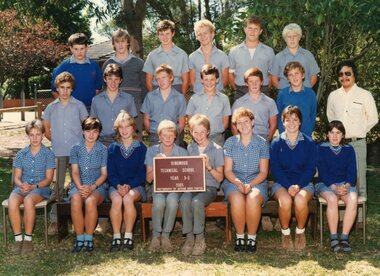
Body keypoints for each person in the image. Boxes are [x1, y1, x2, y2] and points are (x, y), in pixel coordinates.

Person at [326, 60, 378, 224]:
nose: (344, 77)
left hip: (357, 143)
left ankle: (360, 220)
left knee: (360, 180)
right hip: (338, 144)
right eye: (341, 74)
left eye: (348, 73)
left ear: (354, 75)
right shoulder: (333, 96)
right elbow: (330, 118)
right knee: (340, 178)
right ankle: (342, 218)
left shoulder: (364, 95)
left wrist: (359, 131)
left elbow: (373, 118)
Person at [43, 72, 88, 235]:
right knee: (58, 188)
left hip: (76, 153)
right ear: (57, 88)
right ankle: (56, 221)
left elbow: (87, 127)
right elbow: (47, 131)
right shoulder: (50, 107)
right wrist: (56, 142)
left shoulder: (79, 105)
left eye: (68, 88)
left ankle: (79, 219)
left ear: (72, 89)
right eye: (62, 88)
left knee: (79, 185)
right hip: (58, 152)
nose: (65, 91)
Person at [222, 107, 269, 253]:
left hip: (257, 181)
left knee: (253, 198)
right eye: (239, 123)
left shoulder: (262, 143)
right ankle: (240, 236)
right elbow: (228, 170)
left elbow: (263, 172)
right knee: (237, 199)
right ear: (235, 126)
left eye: (246, 121)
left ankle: (252, 238)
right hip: (234, 181)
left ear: (252, 122)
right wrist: (238, 183)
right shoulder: (230, 143)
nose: (243, 125)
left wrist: (250, 185)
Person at [270, 105, 317, 251]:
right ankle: (285, 233)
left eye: (295, 120)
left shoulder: (309, 143)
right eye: (288, 120)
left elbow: (310, 168)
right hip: (282, 183)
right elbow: (275, 168)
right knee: (284, 200)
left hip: (303, 183)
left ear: (300, 122)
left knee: (300, 199)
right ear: (282, 122)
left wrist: (298, 185)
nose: (291, 123)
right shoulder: (276, 142)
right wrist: (288, 185)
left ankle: (300, 232)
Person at [8, 119, 55, 254]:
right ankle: (18, 239)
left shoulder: (48, 154)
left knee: (29, 201)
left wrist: (33, 187)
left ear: (43, 135)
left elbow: (48, 179)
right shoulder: (21, 154)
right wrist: (21, 184)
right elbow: (17, 177)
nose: (35, 138)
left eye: (38, 134)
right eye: (32, 135)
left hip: (40, 188)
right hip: (23, 187)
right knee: (12, 201)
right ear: (28, 136)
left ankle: (28, 239)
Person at [179, 114, 224, 255]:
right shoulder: (190, 148)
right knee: (185, 199)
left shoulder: (216, 149)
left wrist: (209, 166)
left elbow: (220, 177)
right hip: (192, 186)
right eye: (195, 132)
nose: (199, 135)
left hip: (209, 188)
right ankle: (189, 237)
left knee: (197, 202)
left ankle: (200, 238)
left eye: (202, 132)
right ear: (191, 133)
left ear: (208, 132)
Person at [145, 120, 188, 253]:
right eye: (164, 135)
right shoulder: (152, 151)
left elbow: (186, 178)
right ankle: (156, 236)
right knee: (158, 202)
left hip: (175, 188)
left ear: (176, 136)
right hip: (159, 187)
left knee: (172, 201)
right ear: (159, 136)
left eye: (171, 135)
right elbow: (149, 179)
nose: (168, 138)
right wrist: (157, 163)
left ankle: (165, 236)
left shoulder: (182, 152)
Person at [316, 120, 358, 252]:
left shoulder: (349, 149)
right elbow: (322, 171)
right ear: (327, 134)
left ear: (343, 135)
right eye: (332, 132)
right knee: (332, 199)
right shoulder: (320, 148)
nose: (335, 136)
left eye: (338, 132)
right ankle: (334, 238)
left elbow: (352, 171)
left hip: (345, 184)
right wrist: (334, 187)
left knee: (353, 199)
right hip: (325, 184)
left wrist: (346, 185)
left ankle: (344, 238)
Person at [107, 111, 147, 252]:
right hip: (115, 186)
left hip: (135, 186)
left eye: (127, 127)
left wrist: (129, 186)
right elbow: (111, 173)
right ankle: (116, 236)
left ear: (133, 127)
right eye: (121, 127)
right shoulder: (112, 148)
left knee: (128, 199)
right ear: (117, 129)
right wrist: (118, 185)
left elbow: (142, 174)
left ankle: (128, 236)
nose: (124, 130)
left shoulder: (141, 148)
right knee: (117, 200)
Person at [69, 117, 108, 253]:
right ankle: (79, 237)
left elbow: (104, 174)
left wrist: (92, 187)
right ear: (83, 132)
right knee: (75, 199)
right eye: (88, 131)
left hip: (97, 186)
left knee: (90, 200)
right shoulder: (75, 148)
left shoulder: (103, 149)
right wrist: (80, 187)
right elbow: (74, 172)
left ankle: (89, 238)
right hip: (78, 184)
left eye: (95, 131)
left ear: (99, 133)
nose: (91, 135)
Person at [102, 29, 146, 138]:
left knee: (136, 139)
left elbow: (145, 87)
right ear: (113, 44)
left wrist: (144, 110)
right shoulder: (108, 64)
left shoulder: (139, 63)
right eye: (117, 41)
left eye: (123, 41)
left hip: (136, 107)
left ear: (128, 42)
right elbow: (104, 88)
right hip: (114, 105)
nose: (120, 44)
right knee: (116, 139)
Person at [51, 33, 103, 110]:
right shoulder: (62, 67)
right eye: (76, 49)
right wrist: (65, 106)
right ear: (71, 49)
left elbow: (98, 89)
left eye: (82, 48)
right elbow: (54, 91)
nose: (79, 52)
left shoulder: (94, 66)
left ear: (86, 48)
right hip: (69, 109)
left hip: (90, 108)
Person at [91, 63, 138, 146]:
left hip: (122, 140)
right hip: (102, 141)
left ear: (121, 80)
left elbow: (132, 123)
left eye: (116, 79)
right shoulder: (96, 100)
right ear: (104, 79)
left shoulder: (128, 98)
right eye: (110, 79)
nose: (113, 83)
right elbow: (93, 125)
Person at [228, 15, 275, 99]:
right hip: (241, 92)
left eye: (256, 29)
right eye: (250, 28)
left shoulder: (269, 51)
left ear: (260, 31)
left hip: (263, 91)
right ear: (245, 29)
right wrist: (237, 89)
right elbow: (230, 74)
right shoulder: (234, 51)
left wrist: (265, 89)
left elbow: (272, 74)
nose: (252, 32)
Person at [141, 64, 187, 146]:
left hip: (173, 137)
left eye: (164, 77)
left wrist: (173, 135)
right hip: (155, 136)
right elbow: (146, 119)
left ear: (171, 78)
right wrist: (152, 132)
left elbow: (182, 122)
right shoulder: (150, 96)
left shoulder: (180, 98)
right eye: (158, 79)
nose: (161, 81)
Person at [186, 64, 231, 146]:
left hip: (217, 139)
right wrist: (198, 135)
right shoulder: (194, 98)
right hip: (198, 139)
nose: (209, 83)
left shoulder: (224, 99)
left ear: (217, 80)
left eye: (212, 79)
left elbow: (225, 122)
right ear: (202, 80)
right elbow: (190, 121)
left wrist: (213, 133)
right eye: (206, 79)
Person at [143, 20, 189, 95]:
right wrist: (154, 97)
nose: (164, 37)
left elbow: (186, 80)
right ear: (158, 35)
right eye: (161, 34)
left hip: (176, 89)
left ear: (173, 33)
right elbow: (148, 81)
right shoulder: (152, 55)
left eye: (167, 33)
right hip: (157, 89)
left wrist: (181, 97)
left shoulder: (182, 54)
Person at [232, 67, 278, 141]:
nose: (254, 84)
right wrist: (240, 141)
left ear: (262, 82)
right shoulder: (239, 103)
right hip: (244, 139)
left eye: (257, 81)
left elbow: (273, 125)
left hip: (263, 139)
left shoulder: (270, 102)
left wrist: (268, 139)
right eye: (251, 81)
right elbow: (234, 126)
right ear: (246, 83)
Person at [270, 23, 320, 90]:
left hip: (304, 94)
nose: (292, 39)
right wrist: (283, 92)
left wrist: (306, 91)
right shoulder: (278, 57)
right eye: (289, 37)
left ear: (299, 37)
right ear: (285, 39)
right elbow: (273, 79)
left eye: (295, 36)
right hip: (286, 96)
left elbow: (314, 76)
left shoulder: (308, 55)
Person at [276, 62, 317, 137]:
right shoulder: (282, 94)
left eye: (297, 73)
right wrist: (283, 135)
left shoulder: (311, 94)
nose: (294, 77)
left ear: (303, 75)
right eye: (290, 75)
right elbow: (279, 118)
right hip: (287, 136)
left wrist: (308, 134)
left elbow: (312, 116)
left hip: (305, 136)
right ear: (288, 78)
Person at [189, 19, 229, 94]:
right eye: (199, 34)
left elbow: (225, 80)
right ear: (197, 37)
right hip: (199, 97)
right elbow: (192, 81)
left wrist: (214, 93)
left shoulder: (222, 56)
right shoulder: (192, 57)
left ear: (212, 34)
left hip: (217, 96)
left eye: (205, 33)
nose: (202, 36)